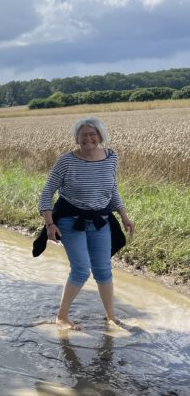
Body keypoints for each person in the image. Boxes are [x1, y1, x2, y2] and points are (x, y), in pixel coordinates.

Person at [37, 116, 135, 329]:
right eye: (83, 135)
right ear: (77, 138)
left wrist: (124, 216)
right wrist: (50, 224)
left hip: (101, 221)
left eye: (92, 134)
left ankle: (111, 316)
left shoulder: (111, 157)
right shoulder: (66, 161)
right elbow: (46, 194)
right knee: (81, 270)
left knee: (103, 269)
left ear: (100, 136)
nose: (88, 139)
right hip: (71, 222)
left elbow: (112, 190)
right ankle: (62, 316)